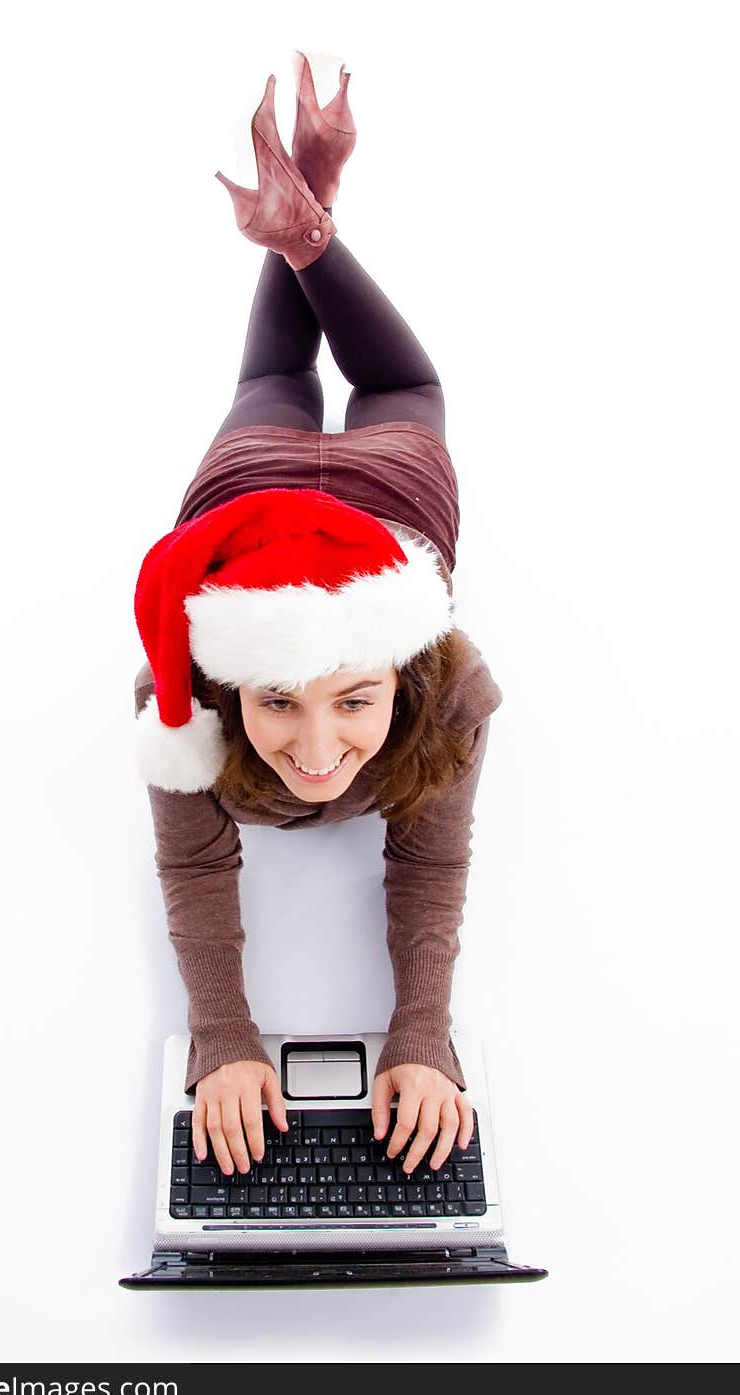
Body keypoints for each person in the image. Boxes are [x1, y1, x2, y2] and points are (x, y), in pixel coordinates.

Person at [132, 53, 504, 1187]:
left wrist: (425, 1033)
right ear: (226, 686)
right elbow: (194, 871)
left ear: (404, 671)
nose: (315, 748)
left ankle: (308, 222)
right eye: (276, 701)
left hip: (284, 486)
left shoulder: (454, 688)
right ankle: (307, 223)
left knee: (285, 374)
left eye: (353, 697)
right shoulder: (177, 701)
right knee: (374, 384)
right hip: (338, 485)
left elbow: (426, 867)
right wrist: (222, 1035)